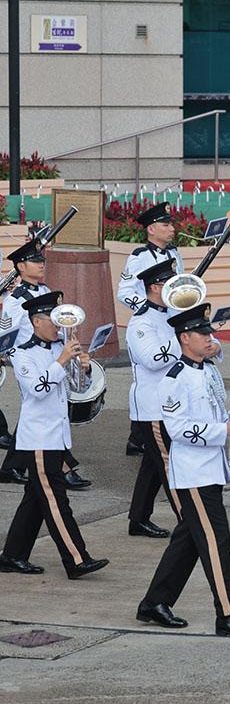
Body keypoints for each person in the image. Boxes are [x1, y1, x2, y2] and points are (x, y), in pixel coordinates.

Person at [135, 303, 230, 637]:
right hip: (192, 473)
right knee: (215, 540)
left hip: (210, 468)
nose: (210, 339)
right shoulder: (174, 379)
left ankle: (155, 602)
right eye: (203, 334)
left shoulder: (208, 371)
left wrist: (228, 427)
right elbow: (177, 431)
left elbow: (214, 410)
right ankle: (229, 613)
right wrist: (224, 432)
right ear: (185, 337)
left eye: (210, 334)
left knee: (189, 540)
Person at [0, 290, 108, 579]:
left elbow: (78, 389)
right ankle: (76, 558)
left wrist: (82, 368)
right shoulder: (22, 353)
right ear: (36, 321)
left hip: (56, 436)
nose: (59, 324)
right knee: (55, 499)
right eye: (52, 318)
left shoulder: (59, 348)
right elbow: (38, 388)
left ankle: (12, 555)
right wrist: (61, 361)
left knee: (35, 499)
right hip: (37, 439)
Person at [0, 242, 90, 490]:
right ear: (20, 266)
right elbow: (5, 334)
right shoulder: (16, 300)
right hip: (29, 360)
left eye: (42, 261)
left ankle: (11, 467)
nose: (42, 265)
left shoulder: (47, 290)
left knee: (36, 414)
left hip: (51, 355)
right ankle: (64, 467)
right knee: (40, 409)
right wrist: (13, 357)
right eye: (35, 261)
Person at [126, 259, 190, 540]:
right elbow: (154, 359)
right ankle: (188, 521)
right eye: (168, 284)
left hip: (171, 400)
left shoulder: (172, 313)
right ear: (154, 287)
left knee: (153, 465)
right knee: (168, 463)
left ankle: (138, 519)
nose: (174, 288)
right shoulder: (141, 321)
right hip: (153, 406)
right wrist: (184, 337)